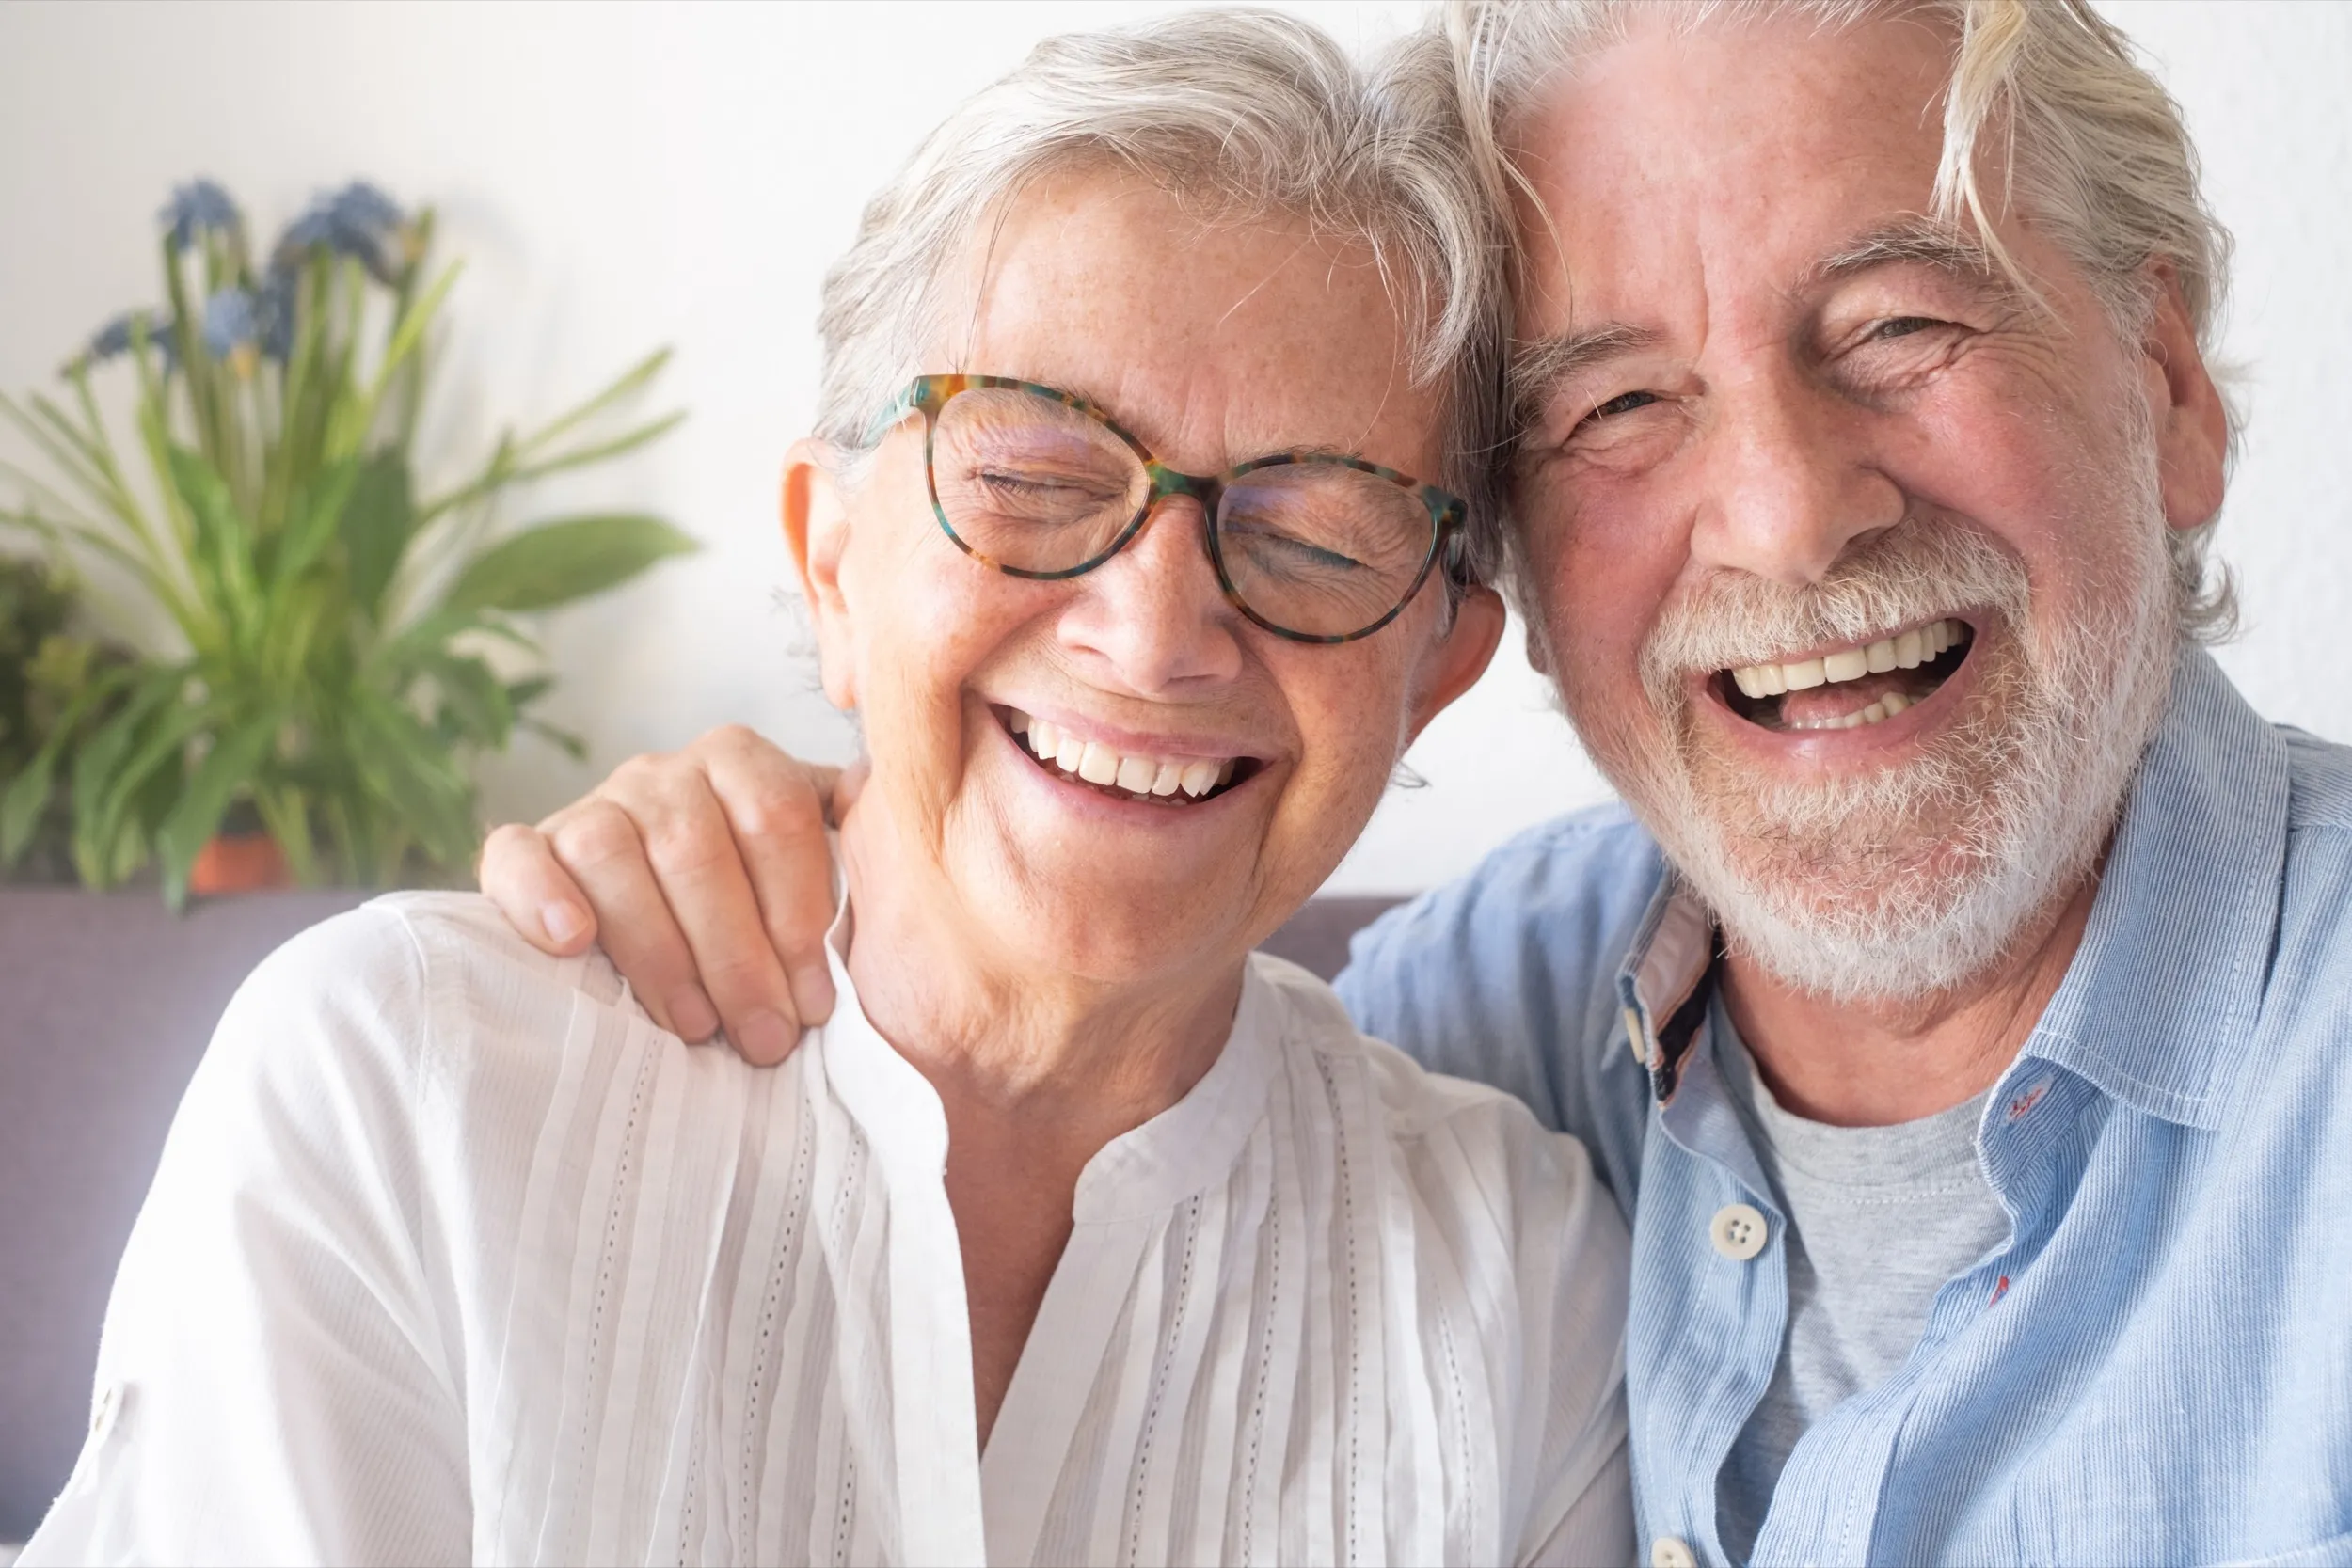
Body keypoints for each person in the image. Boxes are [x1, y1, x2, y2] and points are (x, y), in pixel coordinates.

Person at [482, 1, 2352, 1563]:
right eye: (1615, 404)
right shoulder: (1489, 1026)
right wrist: (817, 834)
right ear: (1505, 592)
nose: (1784, 517)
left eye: (1894, 330)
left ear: (2168, 391)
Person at [23, 14, 1637, 1566]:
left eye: (1311, 534)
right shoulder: (402, 1090)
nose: (1153, 635)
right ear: (831, 562)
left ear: (1435, 662)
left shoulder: (1525, 1284)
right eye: (1031, 477)